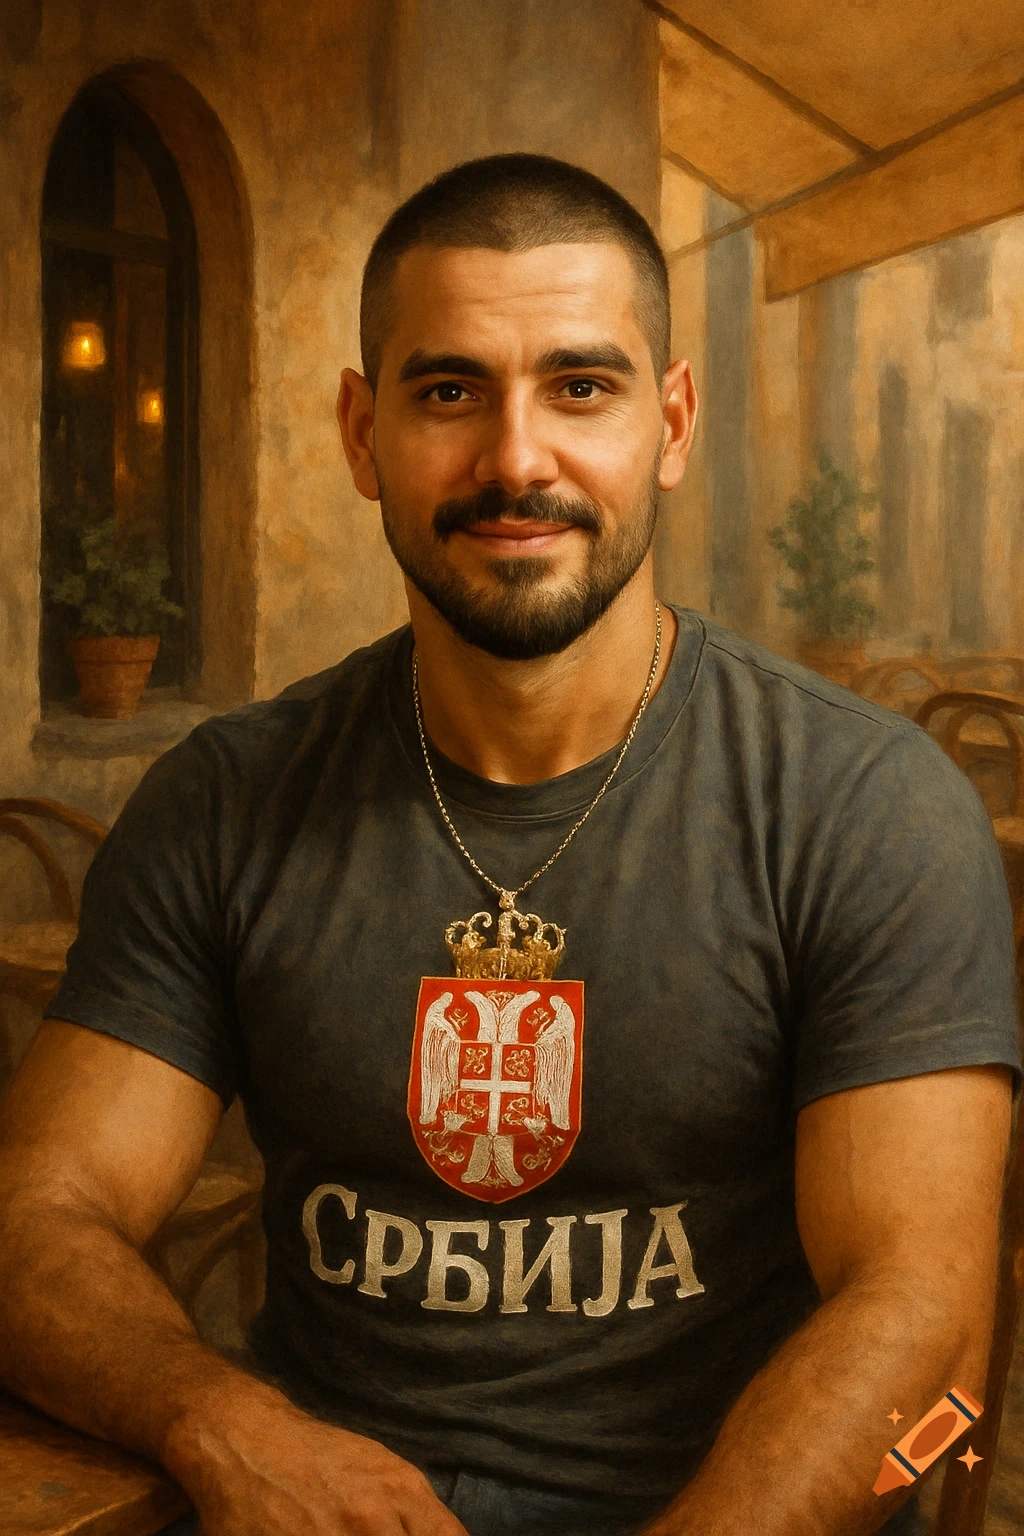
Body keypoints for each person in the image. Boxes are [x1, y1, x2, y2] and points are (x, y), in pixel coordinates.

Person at [0, 154, 1018, 1536]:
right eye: (447, 391)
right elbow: (35, 1215)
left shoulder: (864, 808)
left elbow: (918, 1311)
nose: (516, 459)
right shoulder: (229, 799)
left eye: (579, 388)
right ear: (364, 435)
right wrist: (222, 1421)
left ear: (670, 421)